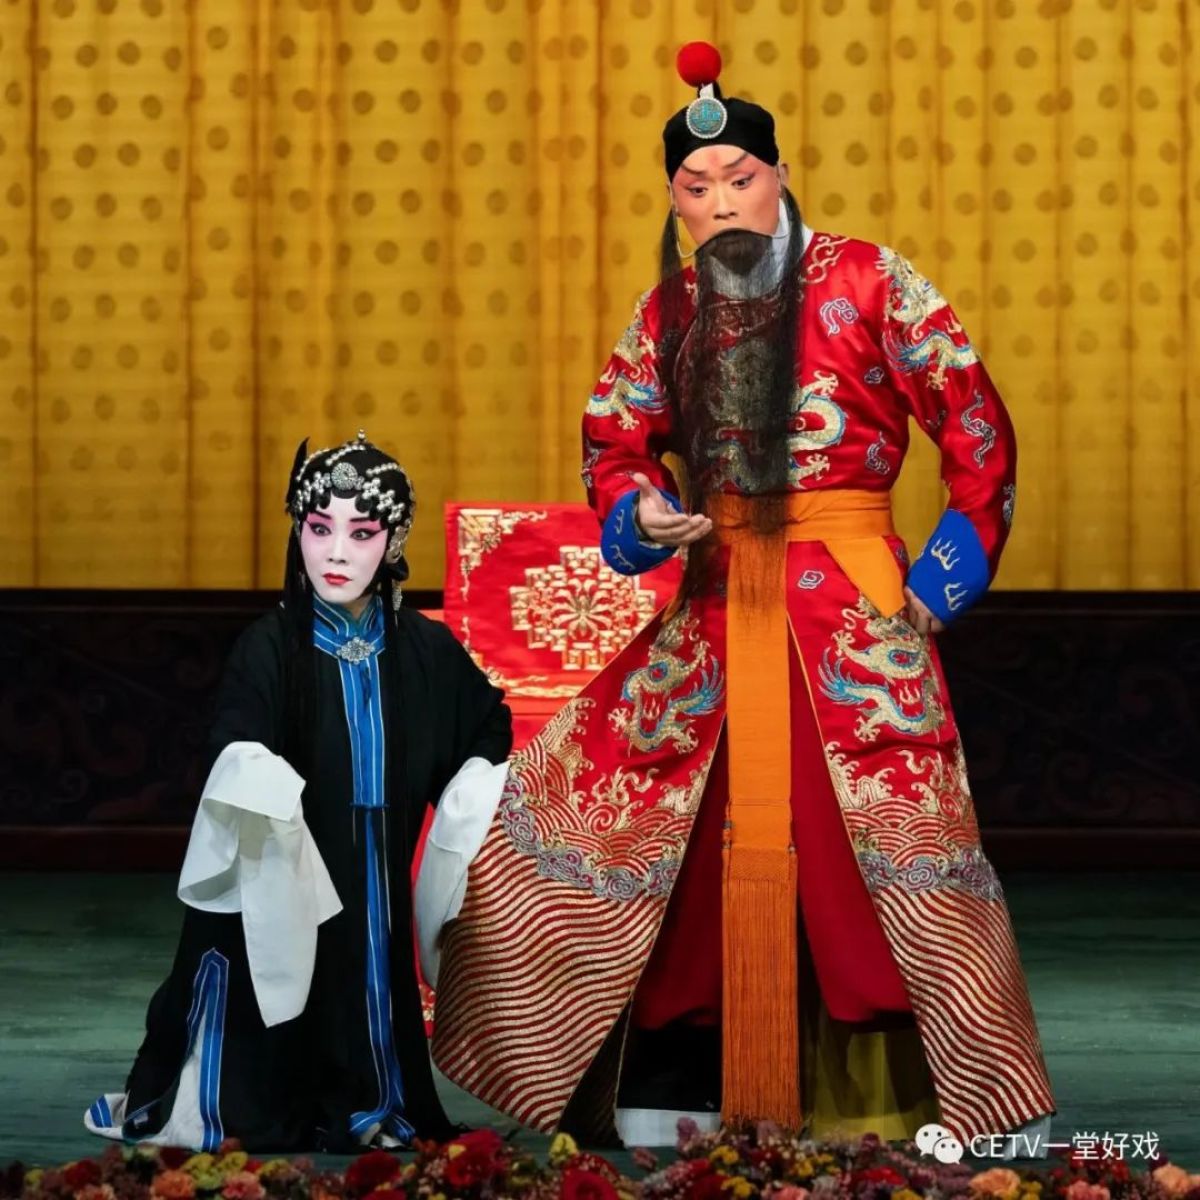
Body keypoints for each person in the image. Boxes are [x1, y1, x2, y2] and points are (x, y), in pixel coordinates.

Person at [425, 44, 1054, 1148]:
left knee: (882, 850)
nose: (721, 203)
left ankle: (925, 1097)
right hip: (713, 609)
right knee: (641, 831)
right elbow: (614, 444)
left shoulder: (872, 281)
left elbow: (977, 429)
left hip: (853, 616)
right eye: (695, 187)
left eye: (740, 178)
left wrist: (942, 577)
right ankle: (672, 1078)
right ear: (675, 203)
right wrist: (641, 513)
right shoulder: (667, 310)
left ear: (781, 175)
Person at [85, 431, 512, 1152]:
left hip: (378, 864)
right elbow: (234, 738)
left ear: (393, 541)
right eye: (318, 529)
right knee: (286, 994)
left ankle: (376, 1099)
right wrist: (258, 777)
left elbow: (487, 725)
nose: (336, 553)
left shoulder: (424, 648)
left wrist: (468, 788)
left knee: (372, 976)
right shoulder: (271, 645)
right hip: (291, 865)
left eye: (361, 533)